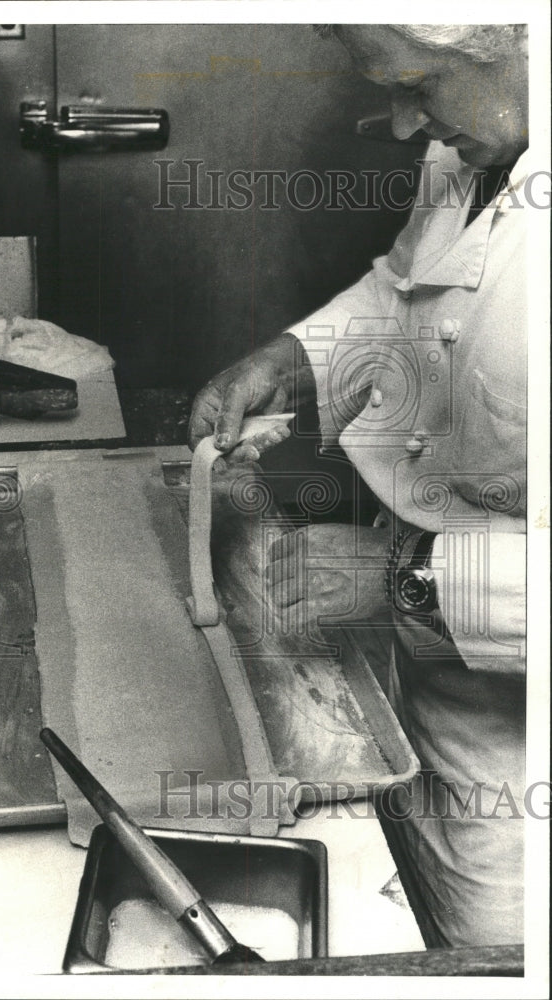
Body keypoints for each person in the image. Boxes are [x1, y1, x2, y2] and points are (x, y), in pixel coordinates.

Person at [188, 24, 528, 947]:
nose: (403, 122)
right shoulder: (474, 146)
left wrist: (400, 585)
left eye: (420, 84)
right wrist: (291, 358)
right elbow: (405, 292)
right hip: (425, 714)